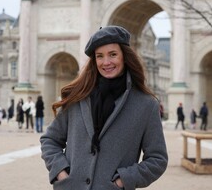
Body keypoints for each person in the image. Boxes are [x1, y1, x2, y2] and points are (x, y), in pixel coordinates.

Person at [40, 26, 168, 189]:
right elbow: (50, 140)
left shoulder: (146, 105)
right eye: (99, 56)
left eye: (113, 54)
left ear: (125, 57)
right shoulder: (77, 96)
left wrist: (123, 181)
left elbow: (157, 160)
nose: (106, 62)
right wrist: (60, 171)